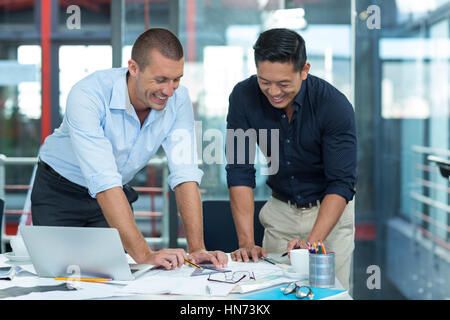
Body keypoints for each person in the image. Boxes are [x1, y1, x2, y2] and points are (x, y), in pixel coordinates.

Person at [31, 28, 227, 270]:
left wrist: (197, 249)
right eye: (160, 79)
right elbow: (103, 181)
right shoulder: (88, 95)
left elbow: (185, 174)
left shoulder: (179, 99)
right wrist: (144, 254)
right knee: (58, 278)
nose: (169, 91)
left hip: (115, 195)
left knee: (113, 279)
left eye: (176, 79)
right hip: (60, 192)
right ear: (133, 68)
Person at [225, 28, 356, 290]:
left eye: (284, 83)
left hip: (329, 213)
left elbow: (341, 182)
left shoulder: (333, 105)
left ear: (304, 70)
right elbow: (240, 169)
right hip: (280, 214)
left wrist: (312, 242)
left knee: (325, 295)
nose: (273, 91)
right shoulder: (243, 96)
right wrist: (246, 242)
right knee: (273, 293)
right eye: (265, 81)